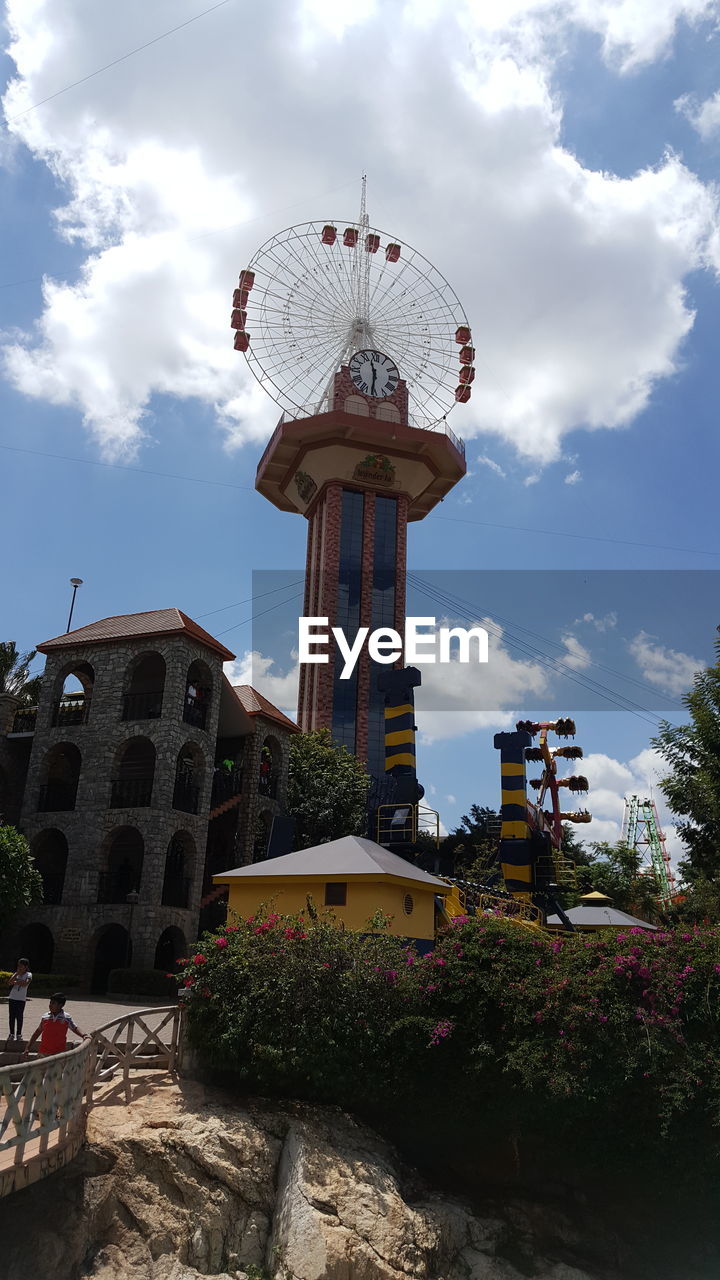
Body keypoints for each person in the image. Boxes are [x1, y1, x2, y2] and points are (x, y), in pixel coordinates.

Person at [23, 993, 88, 1058]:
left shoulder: (66, 1017)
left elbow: (75, 1028)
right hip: (43, 1053)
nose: (50, 1005)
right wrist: (27, 1048)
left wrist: (84, 1035)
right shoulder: (45, 1017)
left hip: (59, 1054)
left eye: (53, 1003)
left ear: (61, 1005)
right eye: (50, 1003)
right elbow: (37, 1033)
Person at [7, 958, 32, 1043]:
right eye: (18, 965)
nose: (19, 967)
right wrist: (16, 975)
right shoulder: (16, 974)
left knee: (19, 1017)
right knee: (11, 1016)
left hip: (21, 999)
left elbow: (25, 984)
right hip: (12, 997)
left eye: (21, 965)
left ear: (25, 966)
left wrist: (16, 982)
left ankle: (19, 1034)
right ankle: (11, 1034)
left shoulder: (29, 974)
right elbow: (9, 982)